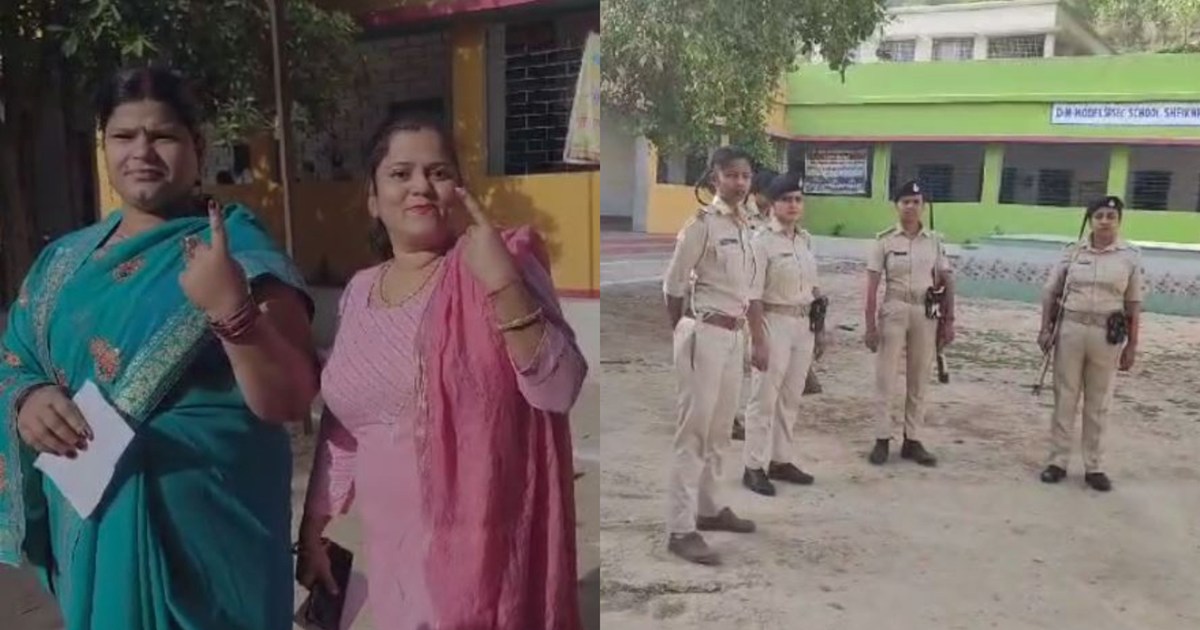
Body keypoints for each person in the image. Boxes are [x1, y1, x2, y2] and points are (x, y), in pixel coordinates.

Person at [0, 66, 318, 629]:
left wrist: (233, 311)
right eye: (124, 136)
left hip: (209, 539)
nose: (142, 151)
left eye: (163, 135)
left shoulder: (241, 252)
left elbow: (290, 399)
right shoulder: (64, 263)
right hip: (97, 521)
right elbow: (17, 355)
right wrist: (29, 398)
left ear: (198, 147)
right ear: (104, 146)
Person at [297, 114, 588, 629]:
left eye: (437, 172)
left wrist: (501, 283)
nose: (420, 187)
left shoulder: (501, 260)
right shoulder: (360, 290)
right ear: (372, 196)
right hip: (391, 547)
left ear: (458, 187)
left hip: (483, 545)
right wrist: (314, 525)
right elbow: (346, 422)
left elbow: (560, 386)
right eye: (400, 173)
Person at [662, 146, 758, 566]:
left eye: (745, 176)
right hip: (705, 334)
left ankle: (709, 506)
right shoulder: (701, 225)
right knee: (694, 432)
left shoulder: (745, 225)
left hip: (733, 338)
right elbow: (673, 285)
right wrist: (685, 331)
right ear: (714, 177)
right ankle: (680, 529)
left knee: (721, 430)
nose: (740, 182)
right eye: (732, 175)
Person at [1037, 196, 1141, 492]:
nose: (1105, 221)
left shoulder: (1130, 256)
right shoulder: (1071, 253)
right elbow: (1050, 292)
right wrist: (1045, 329)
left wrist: (1132, 345)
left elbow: (1133, 304)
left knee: (1099, 401)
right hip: (1070, 329)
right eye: (1099, 216)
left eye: (1111, 215)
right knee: (1065, 397)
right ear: (1090, 220)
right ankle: (1057, 461)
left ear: (1119, 220)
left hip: (1107, 335)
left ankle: (1094, 466)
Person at [742, 172, 822, 497]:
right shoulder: (760, 241)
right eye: (786, 199)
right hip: (773, 322)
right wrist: (758, 339)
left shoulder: (805, 240)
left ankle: (781, 459)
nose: (793, 205)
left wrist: (821, 331)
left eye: (798, 199)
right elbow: (753, 295)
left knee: (790, 397)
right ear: (772, 204)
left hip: (803, 325)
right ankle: (753, 465)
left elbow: (813, 289)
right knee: (764, 398)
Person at [864, 180, 955, 467]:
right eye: (905, 202)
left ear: (923, 206)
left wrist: (948, 320)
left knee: (919, 377)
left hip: (925, 311)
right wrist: (869, 324)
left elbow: (946, 279)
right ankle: (881, 438)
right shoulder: (885, 240)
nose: (911, 207)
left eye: (916, 202)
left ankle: (912, 440)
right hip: (894, 307)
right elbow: (871, 286)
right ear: (896, 206)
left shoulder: (935, 241)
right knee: (886, 377)